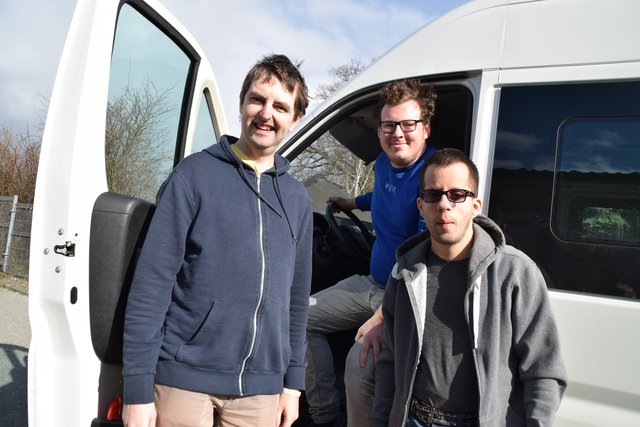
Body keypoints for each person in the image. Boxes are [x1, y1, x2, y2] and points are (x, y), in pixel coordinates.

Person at [121, 54, 312, 427]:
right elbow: (151, 285)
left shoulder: (298, 199)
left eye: (280, 106)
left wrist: (293, 384)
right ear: (242, 102)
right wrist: (137, 390)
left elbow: (296, 302)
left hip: (261, 391)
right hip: (183, 379)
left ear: (295, 119)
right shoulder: (193, 176)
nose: (265, 114)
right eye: (257, 99)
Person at [371, 148, 567, 426]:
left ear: (475, 205)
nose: (444, 204)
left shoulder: (515, 272)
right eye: (433, 194)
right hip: (415, 419)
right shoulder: (404, 272)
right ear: (420, 205)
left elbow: (543, 370)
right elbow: (391, 360)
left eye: (457, 195)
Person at [305, 80, 438, 427]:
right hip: (371, 282)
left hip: (402, 299)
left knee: (357, 362)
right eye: (389, 125)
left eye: (407, 125)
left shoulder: (434, 176)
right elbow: (380, 195)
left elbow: (427, 258)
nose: (397, 133)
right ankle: (325, 417)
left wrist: (386, 315)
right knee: (300, 319)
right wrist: (352, 203)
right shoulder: (382, 163)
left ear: (425, 128)